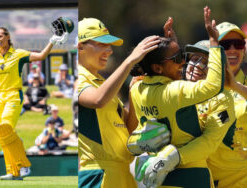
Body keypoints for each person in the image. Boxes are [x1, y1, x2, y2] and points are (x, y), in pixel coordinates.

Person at [130, 7, 229, 188]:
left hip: (161, 174)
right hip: (185, 175)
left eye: (207, 61)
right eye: (190, 58)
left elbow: (209, 142)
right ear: (158, 68)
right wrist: (214, 43)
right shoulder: (176, 89)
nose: (190, 64)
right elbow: (207, 86)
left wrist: (172, 157)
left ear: (217, 66)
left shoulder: (138, 87)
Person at [0, 25, 69, 180]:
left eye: (0, 36)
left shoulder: (19, 54)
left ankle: (24, 164)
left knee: (5, 128)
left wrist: (53, 40)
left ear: (8, 37)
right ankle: (13, 171)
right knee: (3, 134)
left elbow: (41, 56)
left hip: (14, 96)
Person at [77, 17, 161, 188]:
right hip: (98, 173)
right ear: (79, 46)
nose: (109, 50)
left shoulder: (100, 82)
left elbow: (129, 129)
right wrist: (130, 60)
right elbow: (97, 100)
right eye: (101, 44)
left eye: (109, 45)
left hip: (121, 172)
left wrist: (132, 93)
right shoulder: (78, 77)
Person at [204, 22, 247, 188]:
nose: (232, 50)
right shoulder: (199, 85)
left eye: (238, 44)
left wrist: (237, 87)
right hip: (210, 179)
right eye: (224, 45)